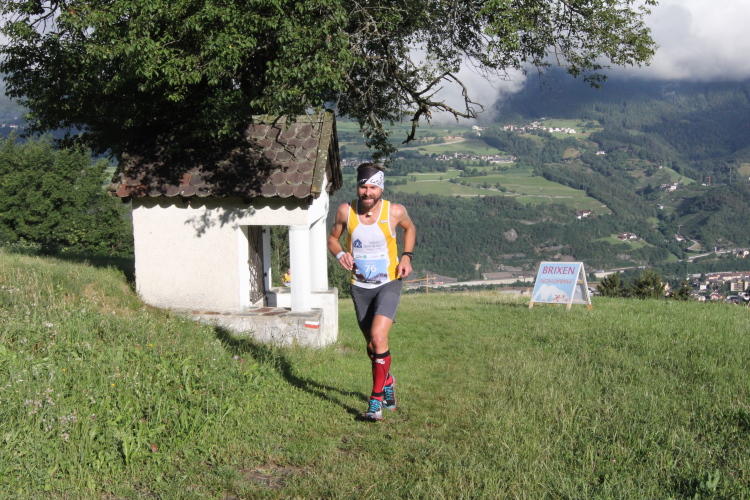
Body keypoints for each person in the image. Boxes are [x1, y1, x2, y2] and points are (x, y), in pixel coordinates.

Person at [328, 163, 416, 421]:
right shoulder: (345, 211)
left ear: (381, 189)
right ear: (358, 187)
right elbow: (332, 239)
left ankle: (375, 402)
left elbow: (410, 228)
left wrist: (407, 256)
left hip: (389, 282)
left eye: (373, 187)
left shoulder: (395, 211)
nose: (368, 192)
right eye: (363, 186)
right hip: (360, 287)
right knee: (371, 346)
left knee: (378, 337)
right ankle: (388, 381)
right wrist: (340, 254)